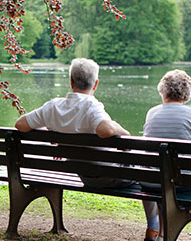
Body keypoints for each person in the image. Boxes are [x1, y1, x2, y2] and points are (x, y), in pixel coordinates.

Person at [15, 58, 133, 188]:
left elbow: (20, 124)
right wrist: (125, 133)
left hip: (84, 176)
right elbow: (106, 130)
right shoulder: (91, 106)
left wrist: (53, 131)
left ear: (71, 82)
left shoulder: (53, 107)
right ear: (95, 84)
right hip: (110, 177)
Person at [143, 69, 191, 241]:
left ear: (163, 91)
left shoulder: (152, 113)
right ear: (186, 94)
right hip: (186, 183)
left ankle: (163, 235)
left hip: (154, 183)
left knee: (162, 177)